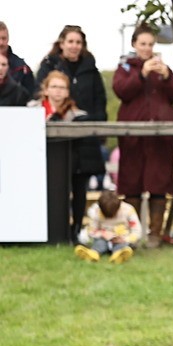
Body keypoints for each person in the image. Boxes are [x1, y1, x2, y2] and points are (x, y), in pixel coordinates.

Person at [112, 23, 173, 249]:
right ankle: (131, 234)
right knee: (132, 185)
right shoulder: (125, 68)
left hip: (160, 138)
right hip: (133, 138)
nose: (147, 48)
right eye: (143, 44)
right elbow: (121, 91)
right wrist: (142, 74)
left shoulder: (163, 70)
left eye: (150, 44)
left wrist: (168, 77)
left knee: (158, 185)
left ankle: (155, 235)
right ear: (135, 44)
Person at [36, 25, 107, 237]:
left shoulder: (91, 70)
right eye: (71, 42)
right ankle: (54, 230)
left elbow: (99, 102)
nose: (74, 46)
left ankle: (76, 229)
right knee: (56, 186)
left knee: (80, 187)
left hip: (83, 136)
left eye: (78, 42)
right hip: (54, 139)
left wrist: (95, 130)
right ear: (62, 43)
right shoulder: (49, 66)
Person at [30, 70, 93, 241]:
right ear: (46, 89)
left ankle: (74, 231)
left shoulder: (78, 116)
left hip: (70, 165)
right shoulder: (31, 111)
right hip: (38, 164)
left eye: (62, 87)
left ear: (67, 92)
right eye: (54, 86)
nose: (58, 91)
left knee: (77, 192)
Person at [76, 190, 142, 264]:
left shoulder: (128, 210)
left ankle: (119, 254)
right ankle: (93, 253)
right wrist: (102, 234)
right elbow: (91, 231)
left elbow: (137, 231)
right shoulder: (96, 212)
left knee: (122, 246)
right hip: (103, 238)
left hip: (122, 239)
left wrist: (125, 239)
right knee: (99, 243)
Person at [0, 21, 36, 96]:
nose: (1, 42)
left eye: (4, 38)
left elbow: (30, 97)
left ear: (8, 39)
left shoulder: (22, 68)